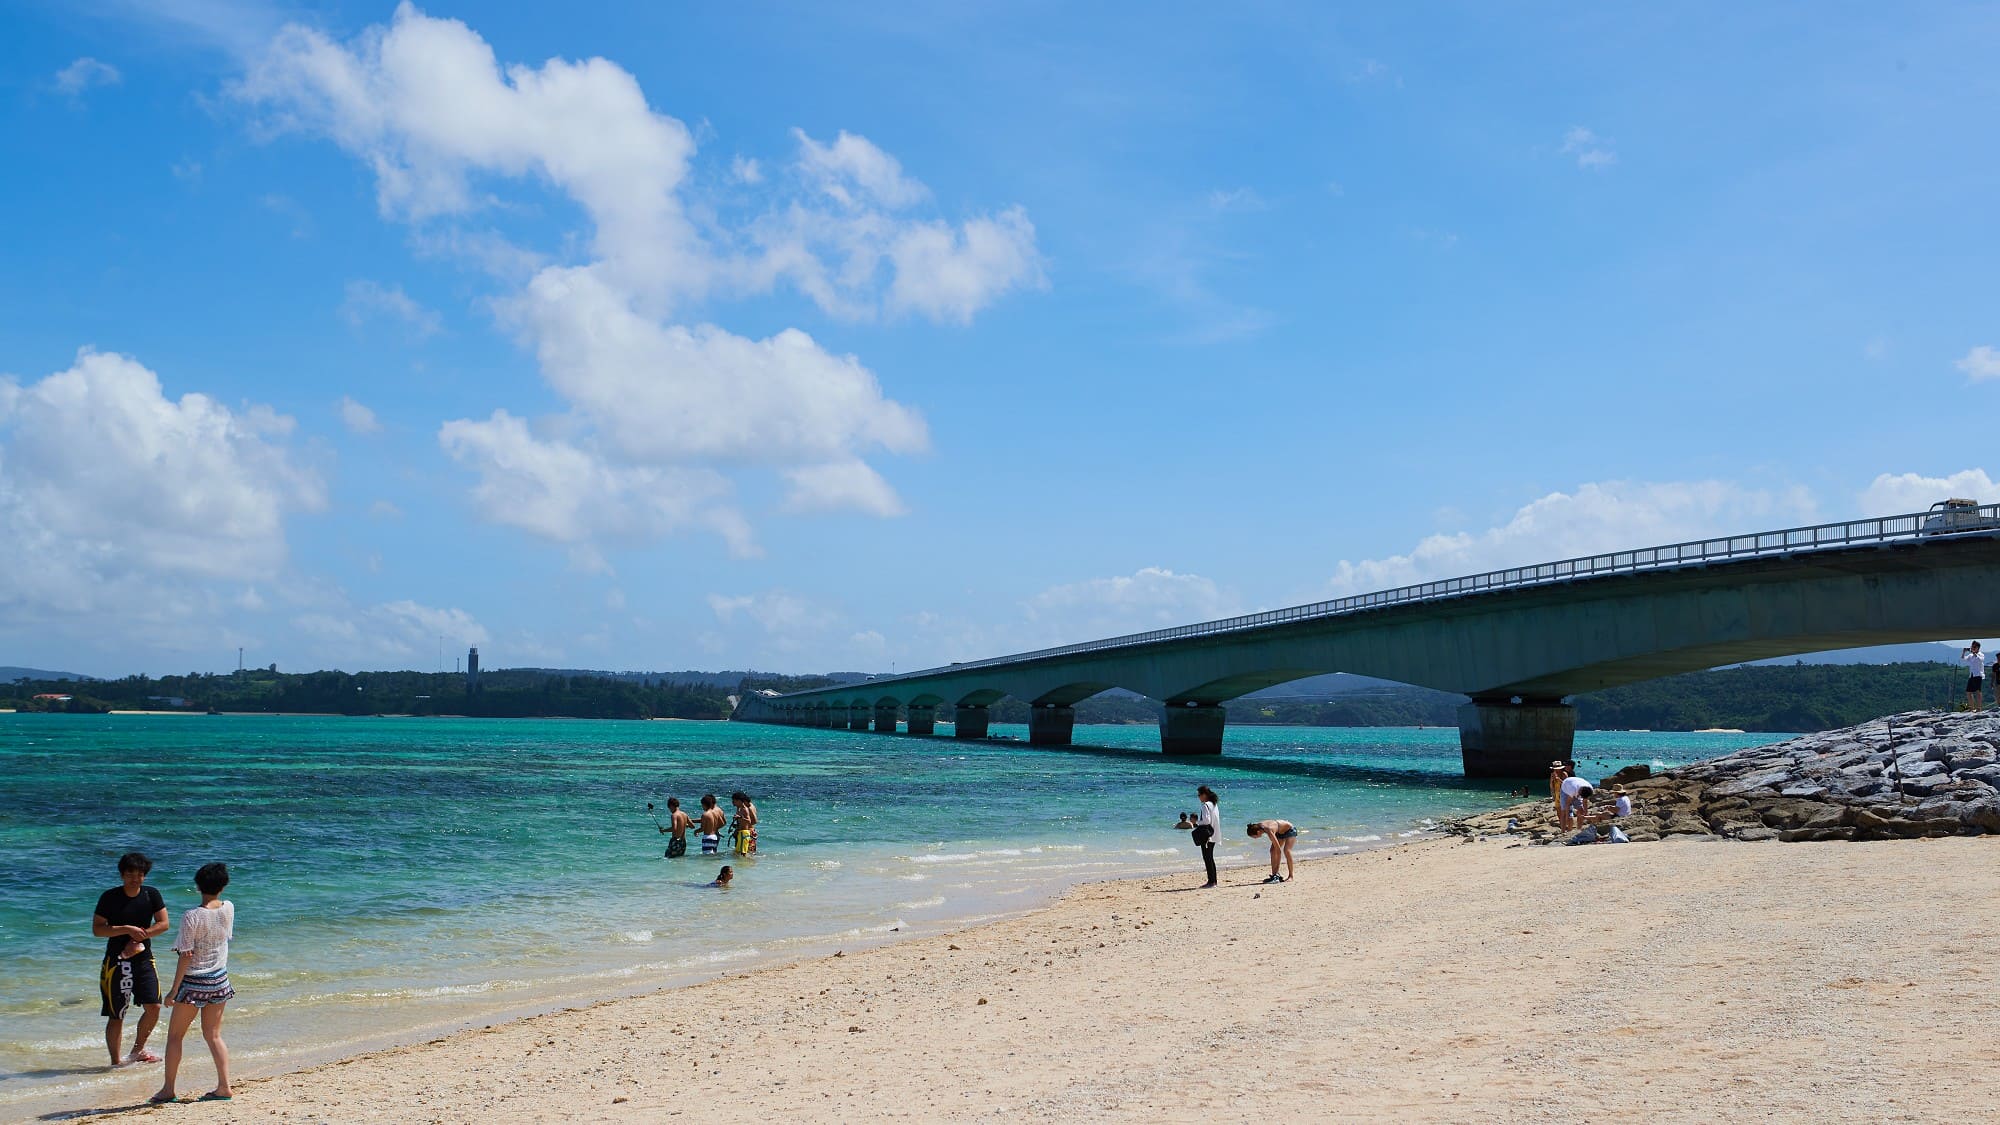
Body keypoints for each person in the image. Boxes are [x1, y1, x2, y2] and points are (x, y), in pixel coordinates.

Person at [150, 863, 234, 1105]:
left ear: (197, 886)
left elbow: (186, 955)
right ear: (224, 885)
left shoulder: (192, 916)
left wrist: (173, 990)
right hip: (219, 979)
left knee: (175, 1037)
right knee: (214, 1035)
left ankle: (168, 1089)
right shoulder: (228, 908)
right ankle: (224, 1086)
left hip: (195, 981)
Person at [94, 852, 169, 1068]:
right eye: (130, 874)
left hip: (144, 958)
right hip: (116, 962)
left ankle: (137, 1051)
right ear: (121, 875)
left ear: (145, 876)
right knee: (116, 1014)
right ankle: (116, 1062)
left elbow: (163, 924)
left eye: (140, 874)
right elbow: (98, 929)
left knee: (154, 1006)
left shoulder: (151, 894)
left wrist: (142, 936)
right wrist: (125, 929)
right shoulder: (110, 897)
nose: (135, 878)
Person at [1245, 819, 1297, 884]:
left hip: (1289, 830)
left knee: (1286, 851)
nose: (1254, 838)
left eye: (1254, 837)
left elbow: (1278, 851)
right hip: (1280, 832)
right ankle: (1274, 875)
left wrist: (1277, 867)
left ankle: (1290, 876)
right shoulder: (1258, 826)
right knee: (1272, 850)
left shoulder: (1268, 830)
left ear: (1258, 832)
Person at [1192, 786, 1221, 889]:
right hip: (1214, 834)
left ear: (1204, 794)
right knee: (1210, 858)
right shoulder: (1214, 804)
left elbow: (1206, 821)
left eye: (1199, 795)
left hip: (1207, 835)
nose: (1199, 797)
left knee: (1207, 858)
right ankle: (1213, 881)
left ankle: (1211, 882)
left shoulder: (1205, 805)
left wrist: (1196, 823)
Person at [730, 790, 759, 856]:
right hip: (743, 831)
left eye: (734, 801)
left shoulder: (749, 808)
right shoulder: (741, 808)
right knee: (742, 853)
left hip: (748, 832)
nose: (733, 803)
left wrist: (741, 820)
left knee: (748, 853)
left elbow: (754, 821)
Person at [1548, 761, 1571, 829]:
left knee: (1564, 810)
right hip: (1557, 793)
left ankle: (1566, 825)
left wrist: (1559, 779)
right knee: (1558, 811)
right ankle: (1562, 826)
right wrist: (1552, 793)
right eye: (1555, 768)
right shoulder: (1553, 774)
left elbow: (1566, 784)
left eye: (1557, 768)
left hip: (1564, 793)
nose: (1556, 770)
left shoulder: (1564, 774)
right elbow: (1551, 785)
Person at [1964, 642, 1986, 711]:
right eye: (1972, 647)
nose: (1972, 648)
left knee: (1978, 691)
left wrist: (1974, 653)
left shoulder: (1981, 654)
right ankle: (1971, 707)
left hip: (1978, 674)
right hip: (1972, 675)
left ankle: (1979, 708)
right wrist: (1964, 652)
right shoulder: (1970, 655)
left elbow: (1980, 660)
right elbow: (1963, 658)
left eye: (1974, 647)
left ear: (1978, 648)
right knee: (1968, 692)